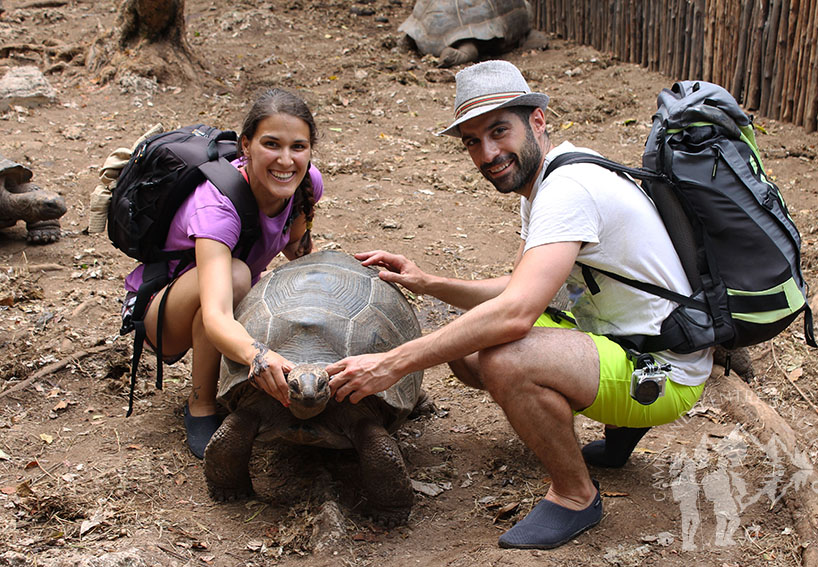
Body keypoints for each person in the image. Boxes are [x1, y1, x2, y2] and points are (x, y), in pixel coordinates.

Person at [325, 60, 712, 549]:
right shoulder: (551, 179)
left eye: (498, 131)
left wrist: (392, 364)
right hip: (630, 335)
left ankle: (575, 496)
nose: (488, 153)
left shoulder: (567, 191)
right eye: (472, 141)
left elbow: (515, 313)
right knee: (469, 348)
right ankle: (617, 433)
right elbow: (522, 287)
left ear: (538, 121)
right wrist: (428, 282)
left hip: (663, 370)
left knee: (504, 358)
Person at [120, 88, 323, 459]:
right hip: (163, 314)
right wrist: (260, 357)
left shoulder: (306, 182)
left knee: (244, 279)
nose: (286, 159)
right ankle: (200, 406)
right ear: (246, 146)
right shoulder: (217, 206)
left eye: (298, 147)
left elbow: (297, 249)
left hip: (225, 294)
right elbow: (215, 314)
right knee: (235, 276)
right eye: (271, 144)